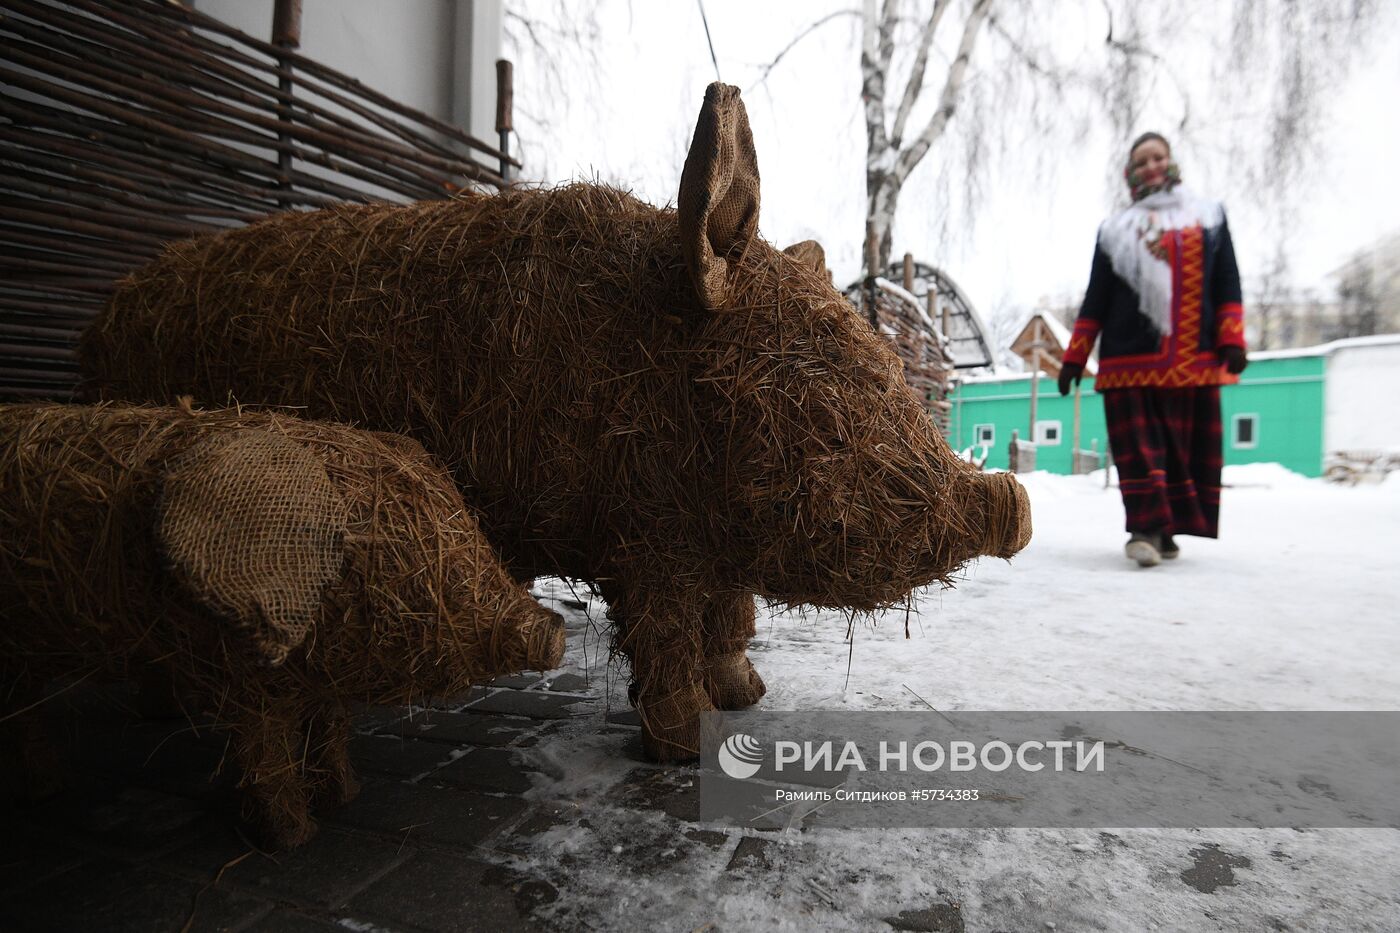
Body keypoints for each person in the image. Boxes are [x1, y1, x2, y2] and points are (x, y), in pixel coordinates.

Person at [1058, 132, 1248, 567]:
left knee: (1182, 453)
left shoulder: (1208, 218)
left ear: (1171, 161)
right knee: (1141, 452)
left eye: (1158, 157)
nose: (1151, 166)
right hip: (1129, 361)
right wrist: (1074, 356)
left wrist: (1232, 338)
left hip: (1192, 359)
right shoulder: (1115, 229)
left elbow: (1227, 280)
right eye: (1141, 161)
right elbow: (1097, 296)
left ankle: (1166, 528)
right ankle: (1144, 529)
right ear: (1130, 173)